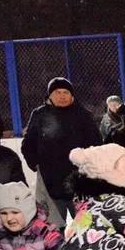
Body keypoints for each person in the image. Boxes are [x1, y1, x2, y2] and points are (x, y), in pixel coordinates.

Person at [21, 77, 101, 224]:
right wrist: (34, 164)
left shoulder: (83, 115)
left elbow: (96, 144)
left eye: (66, 92)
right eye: (58, 92)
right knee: (53, 225)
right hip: (50, 178)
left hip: (80, 179)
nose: (62, 96)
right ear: (50, 95)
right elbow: (28, 144)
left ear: (72, 95)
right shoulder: (40, 115)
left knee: (87, 223)